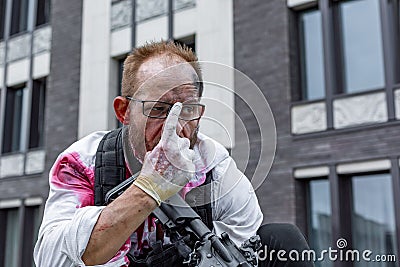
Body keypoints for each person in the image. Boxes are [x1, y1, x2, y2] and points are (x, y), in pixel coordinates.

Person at [34, 41, 313, 267]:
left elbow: (243, 247)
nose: (176, 127)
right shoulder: (85, 163)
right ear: (124, 112)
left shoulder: (214, 167)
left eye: (188, 110)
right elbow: (51, 259)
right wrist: (148, 189)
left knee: (281, 239)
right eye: (158, 109)